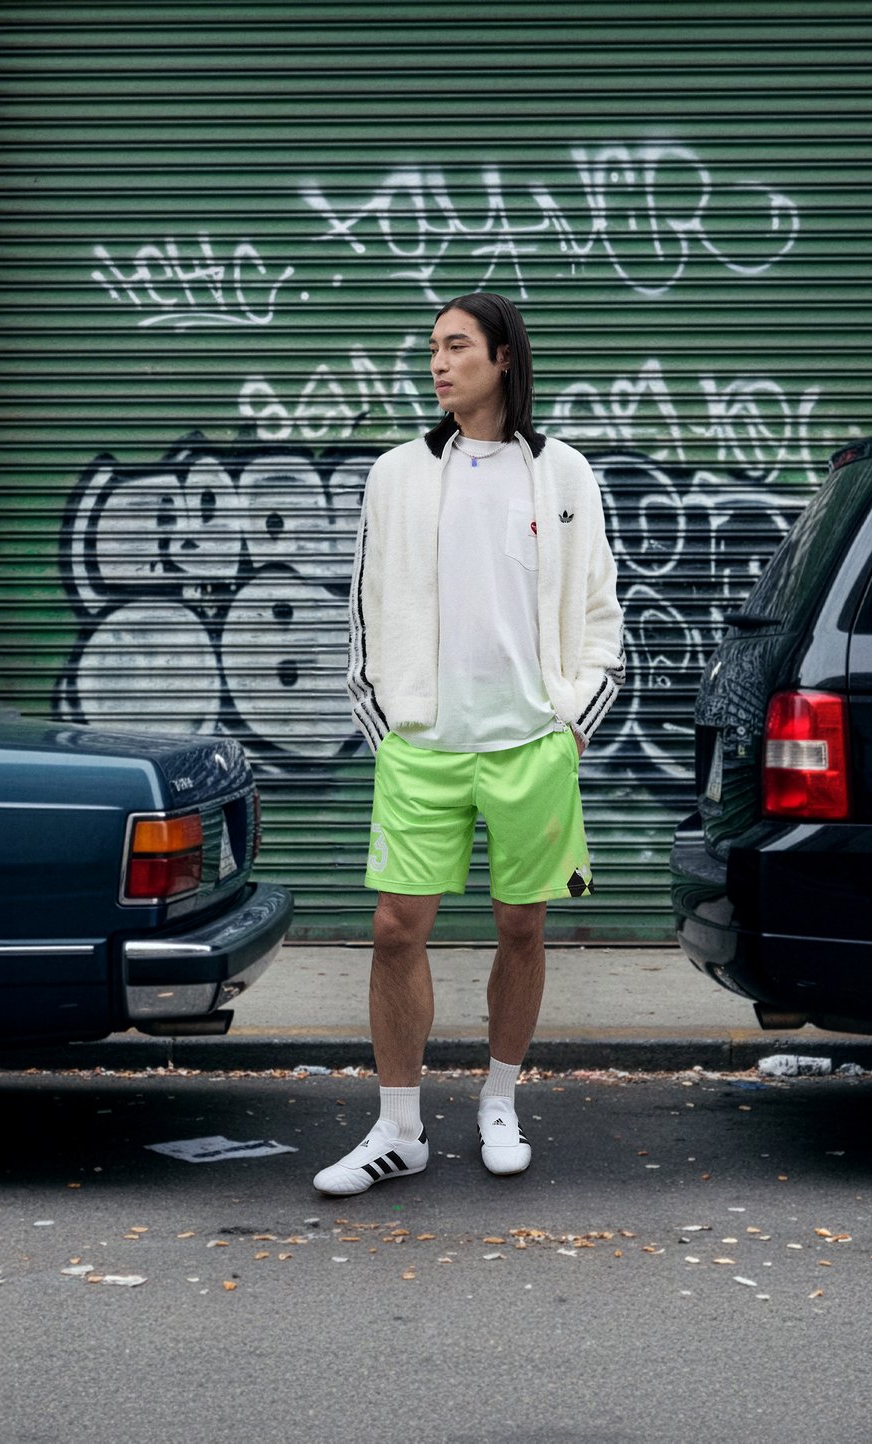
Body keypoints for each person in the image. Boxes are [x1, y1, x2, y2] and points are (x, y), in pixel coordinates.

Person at [313, 292, 624, 1195]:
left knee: (522, 927)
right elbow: (365, 607)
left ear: (504, 357)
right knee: (393, 931)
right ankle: (398, 1127)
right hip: (424, 745)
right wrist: (385, 725)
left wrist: (573, 723)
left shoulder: (562, 473)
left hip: (534, 744)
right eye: (433, 350)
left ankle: (499, 1100)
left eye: (456, 347)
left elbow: (600, 608)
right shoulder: (397, 474)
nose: (439, 364)